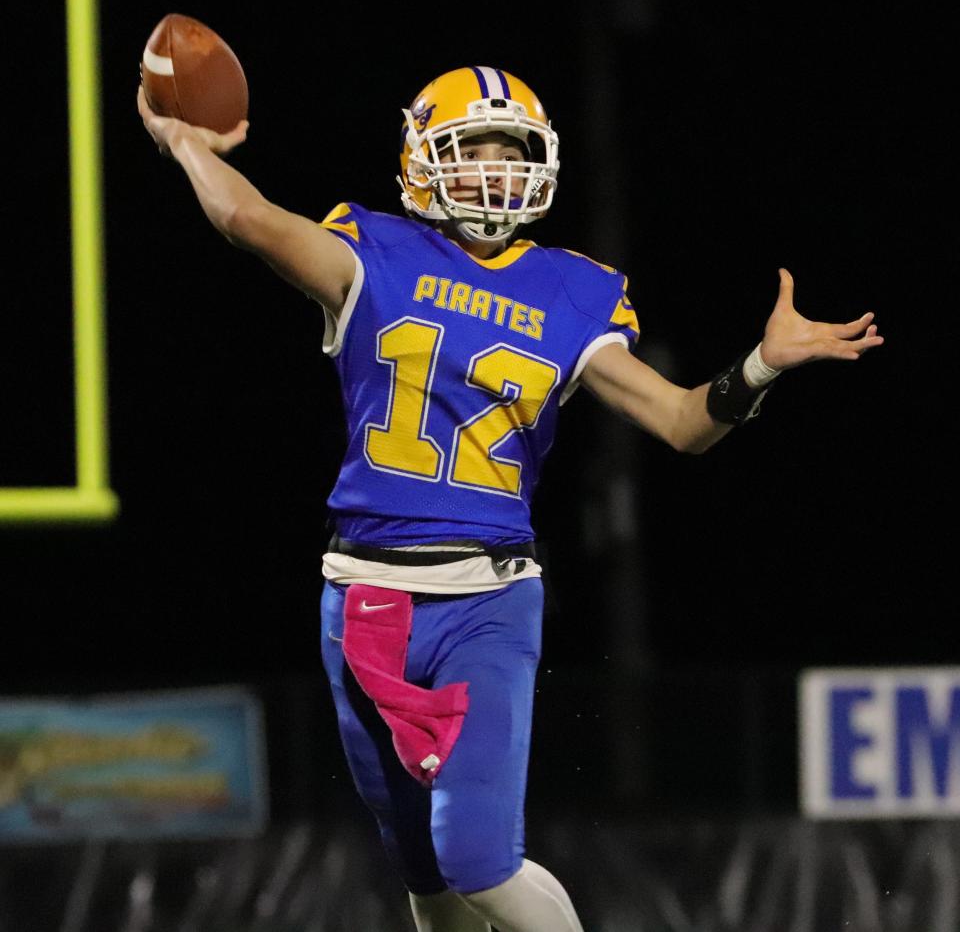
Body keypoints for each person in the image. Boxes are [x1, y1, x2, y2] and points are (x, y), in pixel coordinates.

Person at [138, 65, 883, 932]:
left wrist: (759, 368)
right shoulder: (373, 249)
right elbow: (247, 218)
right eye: (473, 149)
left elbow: (681, 421)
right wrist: (187, 141)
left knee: (478, 860)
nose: (494, 169)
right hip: (362, 601)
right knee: (423, 872)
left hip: (486, 597)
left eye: (509, 151)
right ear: (424, 157)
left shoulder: (570, 289)